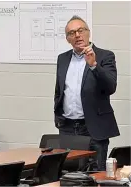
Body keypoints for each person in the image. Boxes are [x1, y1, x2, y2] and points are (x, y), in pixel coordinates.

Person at [54, 15, 120, 171]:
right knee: (69, 175)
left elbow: (111, 87)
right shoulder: (62, 59)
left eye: (80, 30)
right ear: (67, 39)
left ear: (88, 32)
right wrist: (58, 115)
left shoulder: (105, 56)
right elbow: (59, 91)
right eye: (71, 33)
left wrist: (94, 66)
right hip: (68, 128)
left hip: (93, 128)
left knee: (96, 175)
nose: (77, 35)